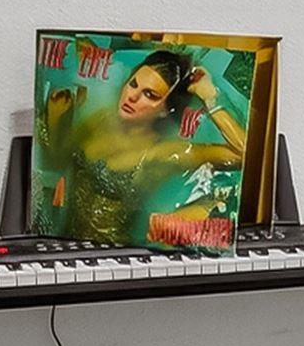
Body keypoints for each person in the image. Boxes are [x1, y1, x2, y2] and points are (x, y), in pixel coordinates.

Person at [39, 48, 251, 244]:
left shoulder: (162, 153)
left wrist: (210, 97)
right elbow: (59, 159)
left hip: (111, 256)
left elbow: (245, 155)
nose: (132, 97)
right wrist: (56, 120)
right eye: (133, 84)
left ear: (166, 110)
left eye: (149, 94)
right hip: (63, 240)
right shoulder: (102, 119)